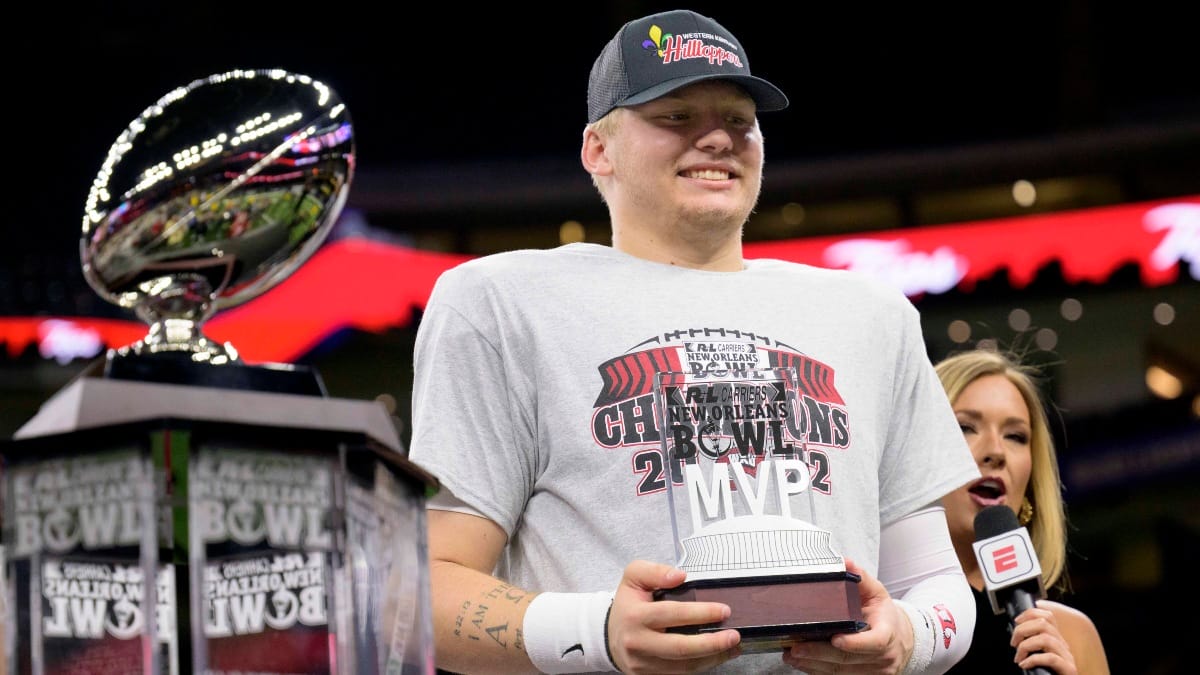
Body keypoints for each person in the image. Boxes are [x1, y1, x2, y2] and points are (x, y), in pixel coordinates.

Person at [409, 9, 982, 674]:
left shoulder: (873, 313)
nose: (717, 137)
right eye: (675, 116)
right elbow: (429, 584)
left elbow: (939, 581)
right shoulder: (500, 302)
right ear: (599, 148)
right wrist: (598, 631)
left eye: (739, 119)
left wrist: (907, 637)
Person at [934, 349, 1110, 674]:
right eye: (966, 427)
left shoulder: (1072, 635)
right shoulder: (875, 621)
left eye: (1015, 436)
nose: (996, 452)